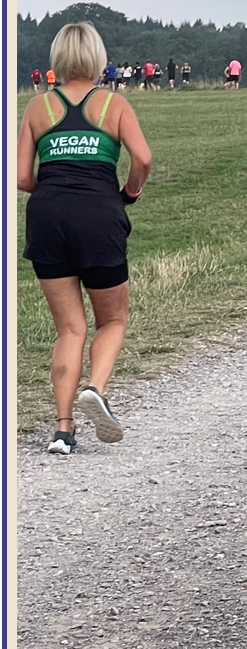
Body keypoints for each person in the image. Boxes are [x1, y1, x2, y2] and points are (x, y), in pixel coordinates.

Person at [19, 23, 152, 454]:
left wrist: (55, 192)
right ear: (98, 58)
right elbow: (143, 158)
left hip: (47, 217)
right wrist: (129, 192)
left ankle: (63, 429)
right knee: (112, 320)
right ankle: (95, 388)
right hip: (99, 215)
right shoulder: (113, 103)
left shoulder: (38, 106)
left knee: (69, 328)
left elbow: (21, 176)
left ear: (57, 58)